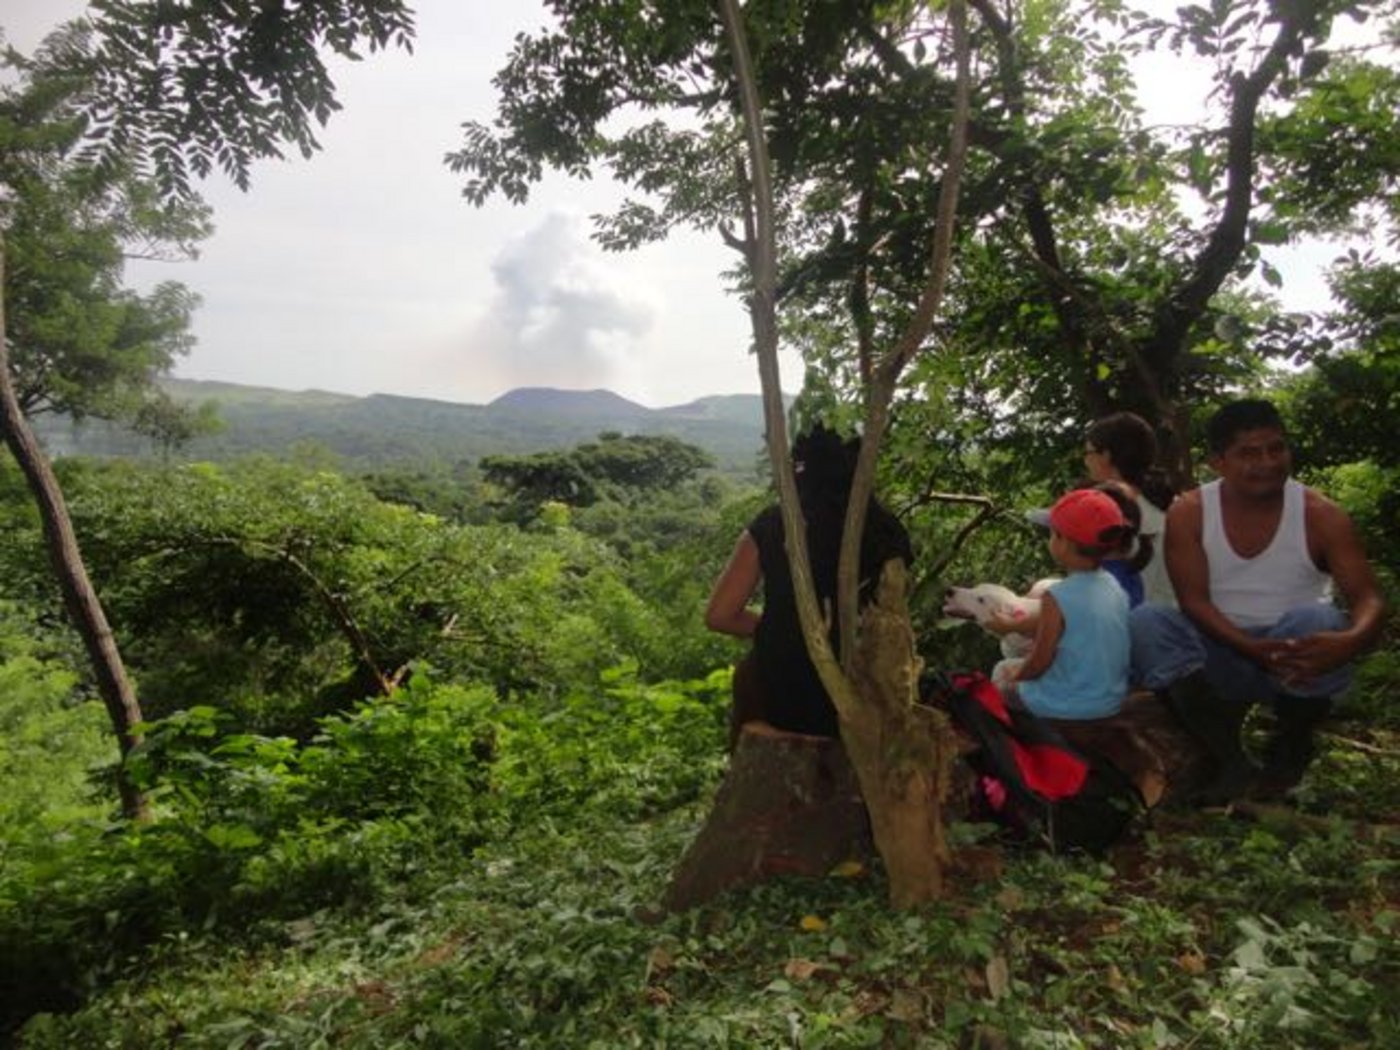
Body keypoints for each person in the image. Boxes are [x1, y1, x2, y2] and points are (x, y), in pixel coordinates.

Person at [1130, 399, 1387, 801]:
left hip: (1297, 657)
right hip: (1222, 651)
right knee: (1147, 621)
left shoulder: (1322, 514)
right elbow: (1193, 602)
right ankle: (1227, 756)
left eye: (1276, 448)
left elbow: (1368, 599)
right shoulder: (1191, 511)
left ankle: (1291, 747)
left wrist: (1350, 640)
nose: (1267, 462)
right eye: (1249, 453)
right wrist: (1251, 647)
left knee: (1313, 619)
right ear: (1218, 461)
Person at [705, 425, 912, 748]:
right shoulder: (887, 531)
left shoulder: (776, 523)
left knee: (748, 675)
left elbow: (719, 615)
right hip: (866, 687)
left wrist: (782, 629)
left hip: (786, 696)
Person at [1004, 488, 1132, 721]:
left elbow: (1039, 662)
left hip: (1065, 705)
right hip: (1110, 700)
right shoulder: (1113, 585)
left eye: (1052, 534)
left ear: (1063, 543)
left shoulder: (1057, 596)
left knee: (1001, 673)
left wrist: (1016, 676)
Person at [1083, 411, 1177, 606]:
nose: (1086, 461)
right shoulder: (1177, 505)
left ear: (1106, 456)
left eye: (1088, 453)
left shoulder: (1105, 510)